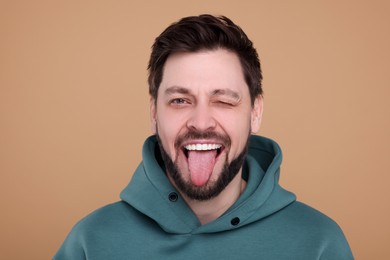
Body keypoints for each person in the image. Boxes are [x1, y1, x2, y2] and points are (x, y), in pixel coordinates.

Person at [54, 14, 353, 259]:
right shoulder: (91, 242)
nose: (200, 122)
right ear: (154, 113)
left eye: (223, 100)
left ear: (255, 112)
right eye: (180, 101)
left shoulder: (319, 243)